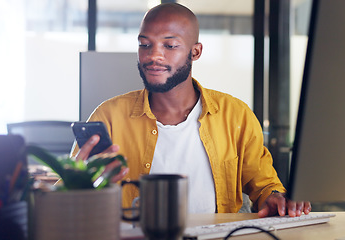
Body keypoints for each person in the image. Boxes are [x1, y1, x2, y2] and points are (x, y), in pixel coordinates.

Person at [72, 2, 311, 217]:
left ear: (195, 52)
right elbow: (66, 191)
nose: (154, 54)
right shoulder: (108, 116)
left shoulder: (235, 114)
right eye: (145, 44)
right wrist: (80, 185)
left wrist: (276, 198)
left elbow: (264, 184)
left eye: (170, 45)